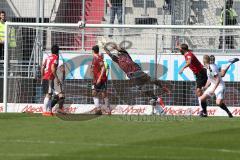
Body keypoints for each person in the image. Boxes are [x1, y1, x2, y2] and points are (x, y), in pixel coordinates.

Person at [103, 43, 166, 115]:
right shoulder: (118, 60)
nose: (119, 54)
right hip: (133, 76)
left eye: (119, 53)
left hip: (137, 72)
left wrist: (115, 48)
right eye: (118, 54)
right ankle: (158, 103)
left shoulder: (126, 55)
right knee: (145, 90)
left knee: (150, 81)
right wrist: (105, 48)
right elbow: (109, 54)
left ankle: (160, 92)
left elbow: (120, 49)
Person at [178, 44, 208, 117]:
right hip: (198, 74)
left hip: (202, 73)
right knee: (199, 92)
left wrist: (182, 68)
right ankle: (203, 111)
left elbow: (189, 62)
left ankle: (202, 111)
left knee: (199, 91)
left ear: (183, 49)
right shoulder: (187, 53)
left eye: (180, 49)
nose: (179, 50)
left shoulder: (188, 54)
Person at [41, 45, 60, 116]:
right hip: (49, 78)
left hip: (46, 77)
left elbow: (42, 67)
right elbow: (52, 68)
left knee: (50, 94)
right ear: (58, 51)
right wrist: (57, 78)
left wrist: (42, 76)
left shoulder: (48, 57)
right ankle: (44, 111)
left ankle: (49, 111)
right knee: (48, 95)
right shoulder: (55, 58)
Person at [91, 45, 109, 115]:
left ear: (93, 51)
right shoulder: (94, 58)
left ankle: (107, 108)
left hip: (100, 79)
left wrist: (99, 78)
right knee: (94, 93)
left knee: (103, 94)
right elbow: (94, 68)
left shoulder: (98, 58)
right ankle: (98, 109)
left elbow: (103, 68)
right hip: (95, 79)